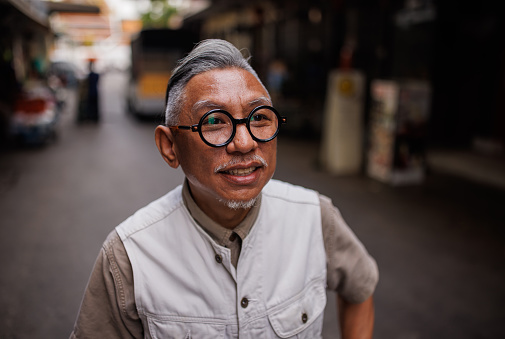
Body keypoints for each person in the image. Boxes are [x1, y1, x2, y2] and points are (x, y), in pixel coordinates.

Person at [70, 39, 378, 338]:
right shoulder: (129, 255)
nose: (245, 143)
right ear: (170, 146)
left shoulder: (314, 216)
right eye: (215, 120)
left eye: (259, 117)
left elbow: (360, 289)